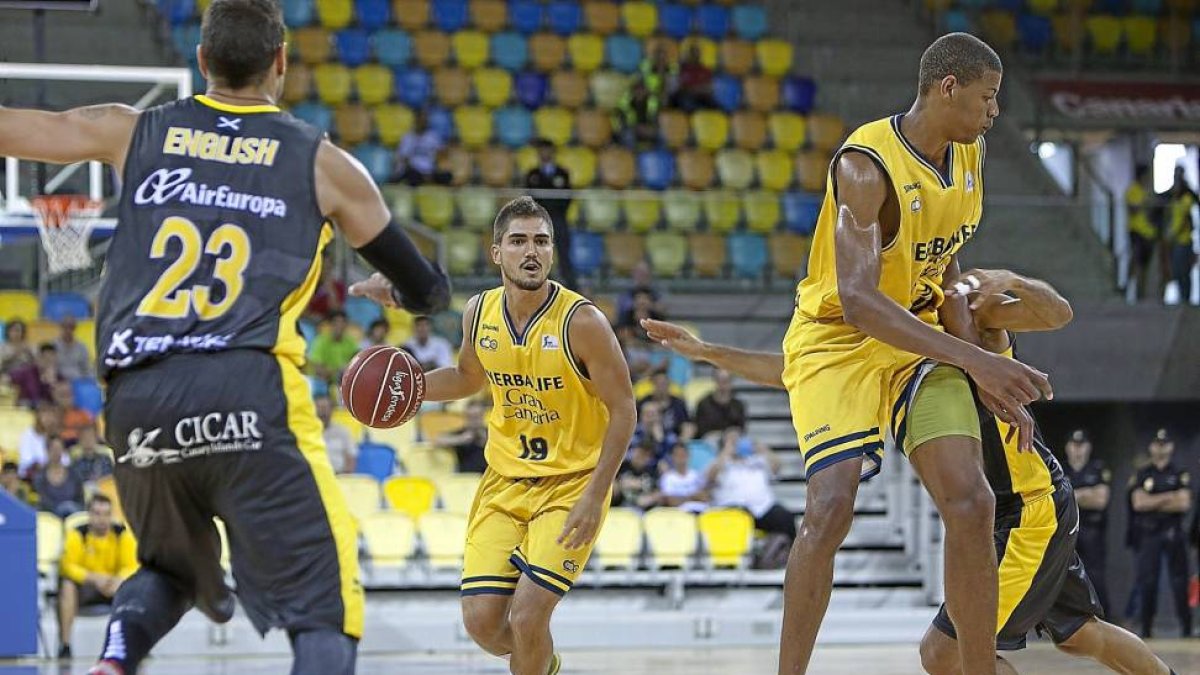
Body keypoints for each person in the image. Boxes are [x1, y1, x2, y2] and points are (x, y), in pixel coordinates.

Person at [0, 1, 451, 672]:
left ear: (202, 62)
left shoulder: (134, 130)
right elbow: (429, 291)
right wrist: (404, 294)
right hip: (246, 388)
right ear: (281, 63)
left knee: (168, 569)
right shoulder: (326, 165)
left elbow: (17, 128)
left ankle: (113, 660)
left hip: (137, 396)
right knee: (326, 610)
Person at [642, 267, 1174, 675]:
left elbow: (1058, 312)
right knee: (1079, 633)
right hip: (1019, 506)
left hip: (1023, 509)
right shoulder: (883, 333)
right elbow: (794, 374)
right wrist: (707, 352)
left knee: (943, 653)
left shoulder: (965, 305)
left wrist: (1010, 279)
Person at [766, 33, 1056, 674]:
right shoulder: (866, 165)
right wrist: (977, 359)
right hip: (838, 340)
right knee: (831, 505)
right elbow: (861, 300)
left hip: (918, 341)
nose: (994, 112)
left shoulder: (969, 154)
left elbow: (946, 262)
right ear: (947, 87)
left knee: (973, 502)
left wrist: (970, 357)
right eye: (987, 97)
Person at [351, 196, 636, 675]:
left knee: (527, 616)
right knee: (483, 624)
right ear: (496, 253)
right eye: (519, 241)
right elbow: (466, 377)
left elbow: (624, 409)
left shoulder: (583, 322)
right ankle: (543, 664)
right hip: (504, 481)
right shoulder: (478, 311)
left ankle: (532, 654)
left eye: (542, 242)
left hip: (570, 485)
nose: (532, 251)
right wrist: (410, 389)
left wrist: (596, 492)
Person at [57, 495, 138, 660]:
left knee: (132, 587)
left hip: (113, 586)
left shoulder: (122, 534)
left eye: (106, 514)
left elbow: (132, 566)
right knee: (67, 586)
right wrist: (95, 579)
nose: (102, 519)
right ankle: (65, 646)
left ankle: (133, 645)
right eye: (97, 513)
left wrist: (117, 580)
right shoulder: (77, 534)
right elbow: (67, 566)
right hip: (86, 587)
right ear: (89, 515)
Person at [1129, 428, 1192, 639]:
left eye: (1165, 444)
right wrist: (1169, 497)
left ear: (1171, 447)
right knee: (1148, 580)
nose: (1161, 448)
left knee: (1179, 581)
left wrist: (1153, 500)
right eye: (1157, 444)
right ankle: (1146, 627)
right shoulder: (1143, 474)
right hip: (1150, 534)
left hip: (1174, 533)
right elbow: (1138, 503)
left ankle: (1186, 627)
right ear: (1151, 447)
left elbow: (1183, 503)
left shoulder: (1179, 472)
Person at [705, 428, 795, 542]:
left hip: (763, 508)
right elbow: (710, 477)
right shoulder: (721, 462)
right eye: (732, 440)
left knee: (785, 518)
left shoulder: (757, 460)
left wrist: (764, 450)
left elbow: (777, 467)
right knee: (739, 518)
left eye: (739, 438)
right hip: (733, 509)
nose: (737, 442)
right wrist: (727, 451)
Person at [1062, 429, 1111, 613]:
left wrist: (1071, 494)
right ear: (1068, 447)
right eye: (1074, 445)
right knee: (1065, 574)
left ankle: (1101, 615)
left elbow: (1100, 500)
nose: (1078, 450)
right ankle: (1071, 616)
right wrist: (1086, 494)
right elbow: (1054, 498)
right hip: (1067, 529)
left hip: (1092, 529)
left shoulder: (1097, 469)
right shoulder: (1060, 468)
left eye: (1081, 445)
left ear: (1088, 447)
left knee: (1095, 573)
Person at [524, 138, 575, 289]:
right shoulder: (532, 174)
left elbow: (567, 198)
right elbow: (530, 198)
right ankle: (542, 285)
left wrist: (552, 208)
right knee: (539, 254)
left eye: (547, 150)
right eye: (541, 150)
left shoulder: (562, 173)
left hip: (558, 219)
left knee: (564, 253)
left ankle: (571, 286)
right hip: (539, 222)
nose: (544, 153)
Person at [1125, 164, 1159, 303]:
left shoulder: (1147, 191)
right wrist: (1144, 203)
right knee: (1137, 262)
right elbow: (1133, 209)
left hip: (1148, 233)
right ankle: (1130, 289)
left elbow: (1153, 210)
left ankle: (1142, 294)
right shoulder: (1133, 190)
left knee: (1144, 264)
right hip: (1136, 231)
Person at [1164, 166, 1197, 305]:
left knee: (1184, 271)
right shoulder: (1174, 199)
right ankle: (1183, 297)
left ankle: (1186, 299)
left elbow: (1183, 219)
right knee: (1177, 271)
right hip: (1175, 240)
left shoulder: (1187, 198)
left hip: (1183, 240)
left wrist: (1173, 233)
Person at [392, 109, 451, 186]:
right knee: (412, 175)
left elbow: (440, 154)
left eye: (425, 120)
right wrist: (417, 170)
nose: (423, 122)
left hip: (430, 171)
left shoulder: (433, 137)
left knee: (446, 176)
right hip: (413, 170)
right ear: (416, 121)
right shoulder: (407, 138)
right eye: (421, 120)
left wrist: (432, 170)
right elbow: (403, 159)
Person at [434, 399, 489, 474]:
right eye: (471, 417)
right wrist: (461, 439)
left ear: (482, 415)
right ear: (466, 417)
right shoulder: (461, 433)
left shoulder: (490, 432)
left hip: (488, 477)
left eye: (477, 416)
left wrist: (487, 441)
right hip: (466, 479)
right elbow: (438, 440)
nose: (474, 420)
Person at [34, 436, 85, 518]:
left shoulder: (74, 474)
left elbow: (81, 500)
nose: (56, 452)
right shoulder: (40, 477)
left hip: (73, 516)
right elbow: (42, 502)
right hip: (50, 518)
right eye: (53, 449)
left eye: (59, 448)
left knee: (69, 507)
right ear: (47, 451)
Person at [307, 310, 360, 386]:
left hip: (342, 383)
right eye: (336, 323)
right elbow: (318, 369)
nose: (339, 326)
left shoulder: (350, 342)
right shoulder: (320, 341)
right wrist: (338, 371)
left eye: (342, 323)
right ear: (330, 325)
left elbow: (357, 362)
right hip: (321, 383)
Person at [638, 369, 690, 439]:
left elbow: (686, 424)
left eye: (664, 384)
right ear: (653, 385)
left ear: (669, 385)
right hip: (645, 438)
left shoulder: (678, 403)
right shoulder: (644, 401)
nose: (661, 387)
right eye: (658, 384)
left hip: (673, 438)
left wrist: (681, 441)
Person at [693, 369, 746, 437]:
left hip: (732, 440)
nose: (722, 385)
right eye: (719, 381)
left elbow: (741, 428)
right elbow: (700, 429)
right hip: (708, 441)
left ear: (731, 383)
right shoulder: (703, 404)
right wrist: (720, 435)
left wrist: (733, 433)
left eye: (726, 381)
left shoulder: (738, 405)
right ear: (715, 381)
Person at [17, 402, 64, 478]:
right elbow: (27, 463)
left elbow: (65, 461)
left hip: (56, 476)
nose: (48, 418)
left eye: (51, 414)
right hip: (32, 477)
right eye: (45, 414)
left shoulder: (56, 437)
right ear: (37, 416)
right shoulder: (28, 435)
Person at [658, 442, 708, 514]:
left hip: (701, 513)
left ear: (689, 456)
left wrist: (680, 498)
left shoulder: (697, 475)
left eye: (683, 454)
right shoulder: (667, 478)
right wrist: (693, 497)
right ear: (672, 457)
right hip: (680, 516)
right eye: (678, 455)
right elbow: (671, 501)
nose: (681, 458)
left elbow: (704, 497)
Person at [613, 441, 663, 511]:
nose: (642, 457)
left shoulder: (652, 471)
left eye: (646, 455)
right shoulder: (622, 466)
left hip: (644, 509)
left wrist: (649, 498)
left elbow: (659, 493)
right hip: (622, 507)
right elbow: (613, 484)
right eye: (640, 452)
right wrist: (622, 484)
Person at [315, 395, 356, 474]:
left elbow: (351, 459)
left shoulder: (343, 431)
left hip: (340, 477)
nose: (322, 412)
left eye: (325, 408)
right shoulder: (308, 433)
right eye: (319, 408)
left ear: (332, 410)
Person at [10, 342, 61, 407]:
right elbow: (8, 378)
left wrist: (52, 383)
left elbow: (58, 400)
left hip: (47, 411)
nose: (47, 361)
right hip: (26, 407)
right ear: (38, 357)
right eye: (44, 358)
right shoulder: (25, 372)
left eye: (50, 359)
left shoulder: (59, 377)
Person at [612, 77, 659, 147]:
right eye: (637, 89)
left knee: (660, 134)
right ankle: (630, 155)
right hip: (629, 129)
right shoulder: (624, 103)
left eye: (642, 89)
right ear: (633, 91)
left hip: (646, 129)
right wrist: (636, 128)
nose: (640, 92)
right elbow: (620, 124)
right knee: (628, 135)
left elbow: (655, 120)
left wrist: (651, 128)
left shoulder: (652, 102)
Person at [672, 44, 718, 112]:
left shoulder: (705, 70)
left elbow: (709, 89)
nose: (694, 56)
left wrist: (694, 89)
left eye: (696, 54)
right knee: (685, 103)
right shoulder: (681, 69)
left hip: (701, 96)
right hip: (686, 96)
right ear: (688, 55)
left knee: (715, 107)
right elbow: (679, 86)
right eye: (692, 54)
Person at [71, 423, 115, 488]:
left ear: (96, 439)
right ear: (79, 441)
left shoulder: (105, 459)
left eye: (90, 436)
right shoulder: (76, 463)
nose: (88, 440)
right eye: (85, 437)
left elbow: (111, 478)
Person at [55, 315, 92, 381]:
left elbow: (87, 369)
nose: (68, 330)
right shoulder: (53, 346)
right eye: (65, 327)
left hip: (78, 382)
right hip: (59, 382)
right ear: (61, 328)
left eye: (71, 327)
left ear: (75, 329)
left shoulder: (82, 348)